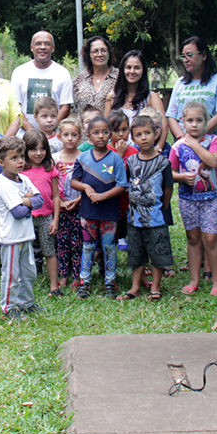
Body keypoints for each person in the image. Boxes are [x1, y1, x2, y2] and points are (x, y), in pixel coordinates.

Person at [170, 100, 217, 296]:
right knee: (193, 238)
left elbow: (213, 160)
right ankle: (194, 280)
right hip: (187, 199)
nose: (194, 124)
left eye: (199, 120)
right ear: (182, 122)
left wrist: (194, 144)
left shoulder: (213, 141)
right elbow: (171, 172)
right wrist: (182, 177)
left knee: (210, 238)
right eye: (190, 120)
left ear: (206, 122)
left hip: (210, 199)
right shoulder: (177, 147)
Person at [71, 116, 128, 299]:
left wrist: (103, 196)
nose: (101, 136)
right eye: (96, 133)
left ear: (110, 135)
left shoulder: (115, 159)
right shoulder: (82, 158)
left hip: (109, 212)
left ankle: (110, 282)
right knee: (88, 246)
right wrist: (86, 188)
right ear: (89, 136)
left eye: (105, 132)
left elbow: (122, 185)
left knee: (109, 246)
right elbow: (74, 182)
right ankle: (84, 282)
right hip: (88, 212)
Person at [118, 115, 173, 301]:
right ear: (133, 138)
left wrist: (162, 208)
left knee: (157, 252)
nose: (144, 138)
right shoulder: (132, 161)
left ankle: (155, 287)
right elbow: (128, 184)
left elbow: (168, 188)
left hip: (156, 218)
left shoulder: (163, 162)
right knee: (136, 253)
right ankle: (135, 287)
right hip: (134, 218)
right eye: (139, 134)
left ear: (156, 134)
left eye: (148, 133)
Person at [166, 36, 217, 186]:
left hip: (212, 149)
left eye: (190, 55)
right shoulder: (180, 83)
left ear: (204, 55)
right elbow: (171, 116)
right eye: (183, 56)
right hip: (185, 149)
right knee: (188, 194)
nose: (185, 60)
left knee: (210, 191)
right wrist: (182, 139)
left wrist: (197, 138)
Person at [0, 136, 43, 320]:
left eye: (21, 156)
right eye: (14, 158)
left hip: (26, 236)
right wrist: (28, 201)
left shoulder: (24, 179)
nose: (20, 161)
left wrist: (24, 201)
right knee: (11, 275)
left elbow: (40, 200)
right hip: (11, 239)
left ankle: (26, 302)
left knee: (28, 273)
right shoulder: (4, 185)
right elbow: (18, 213)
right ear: (1, 162)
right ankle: (9, 307)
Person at [21, 131, 62, 296]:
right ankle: (24, 283)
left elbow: (56, 196)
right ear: (25, 151)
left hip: (46, 218)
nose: (38, 153)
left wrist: (56, 220)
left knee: (49, 251)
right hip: (26, 217)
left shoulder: (49, 168)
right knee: (25, 251)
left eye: (42, 149)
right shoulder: (22, 170)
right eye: (33, 150)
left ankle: (54, 285)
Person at [106, 50, 167, 151]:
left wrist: (158, 149)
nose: (132, 71)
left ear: (143, 70)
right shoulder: (112, 97)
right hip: (118, 153)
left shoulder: (151, 97)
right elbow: (106, 128)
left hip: (144, 153)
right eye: (128, 67)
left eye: (137, 68)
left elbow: (164, 127)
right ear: (122, 70)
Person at [10, 31, 74, 128]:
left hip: (54, 136)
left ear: (53, 48)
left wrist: (48, 130)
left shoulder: (63, 73)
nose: (43, 47)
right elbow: (15, 107)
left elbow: (65, 108)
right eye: (38, 43)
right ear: (32, 47)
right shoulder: (19, 72)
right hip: (24, 135)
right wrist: (32, 133)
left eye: (47, 44)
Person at [52, 119, 83, 290]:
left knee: (78, 242)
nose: (70, 138)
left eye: (74, 135)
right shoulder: (55, 159)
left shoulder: (83, 158)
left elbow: (87, 183)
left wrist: (78, 201)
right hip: (61, 208)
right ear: (59, 137)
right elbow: (53, 184)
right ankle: (64, 274)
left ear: (80, 137)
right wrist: (60, 203)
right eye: (66, 135)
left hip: (79, 207)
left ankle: (77, 275)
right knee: (62, 242)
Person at [72, 35, 118, 120]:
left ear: (109, 53)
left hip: (110, 130)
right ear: (88, 55)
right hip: (84, 131)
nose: (100, 54)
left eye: (103, 50)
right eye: (95, 51)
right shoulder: (80, 79)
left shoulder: (119, 78)